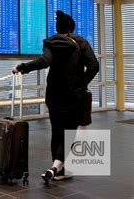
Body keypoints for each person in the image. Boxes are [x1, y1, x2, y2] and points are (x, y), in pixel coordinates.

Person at [12, 11, 99, 183]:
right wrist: (81, 83)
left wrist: (23, 67)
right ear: (71, 28)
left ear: (58, 28)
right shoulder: (80, 42)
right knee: (69, 133)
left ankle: (58, 169)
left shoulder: (50, 42)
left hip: (54, 95)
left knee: (57, 132)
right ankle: (57, 168)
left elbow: (44, 62)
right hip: (74, 96)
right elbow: (94, 66)